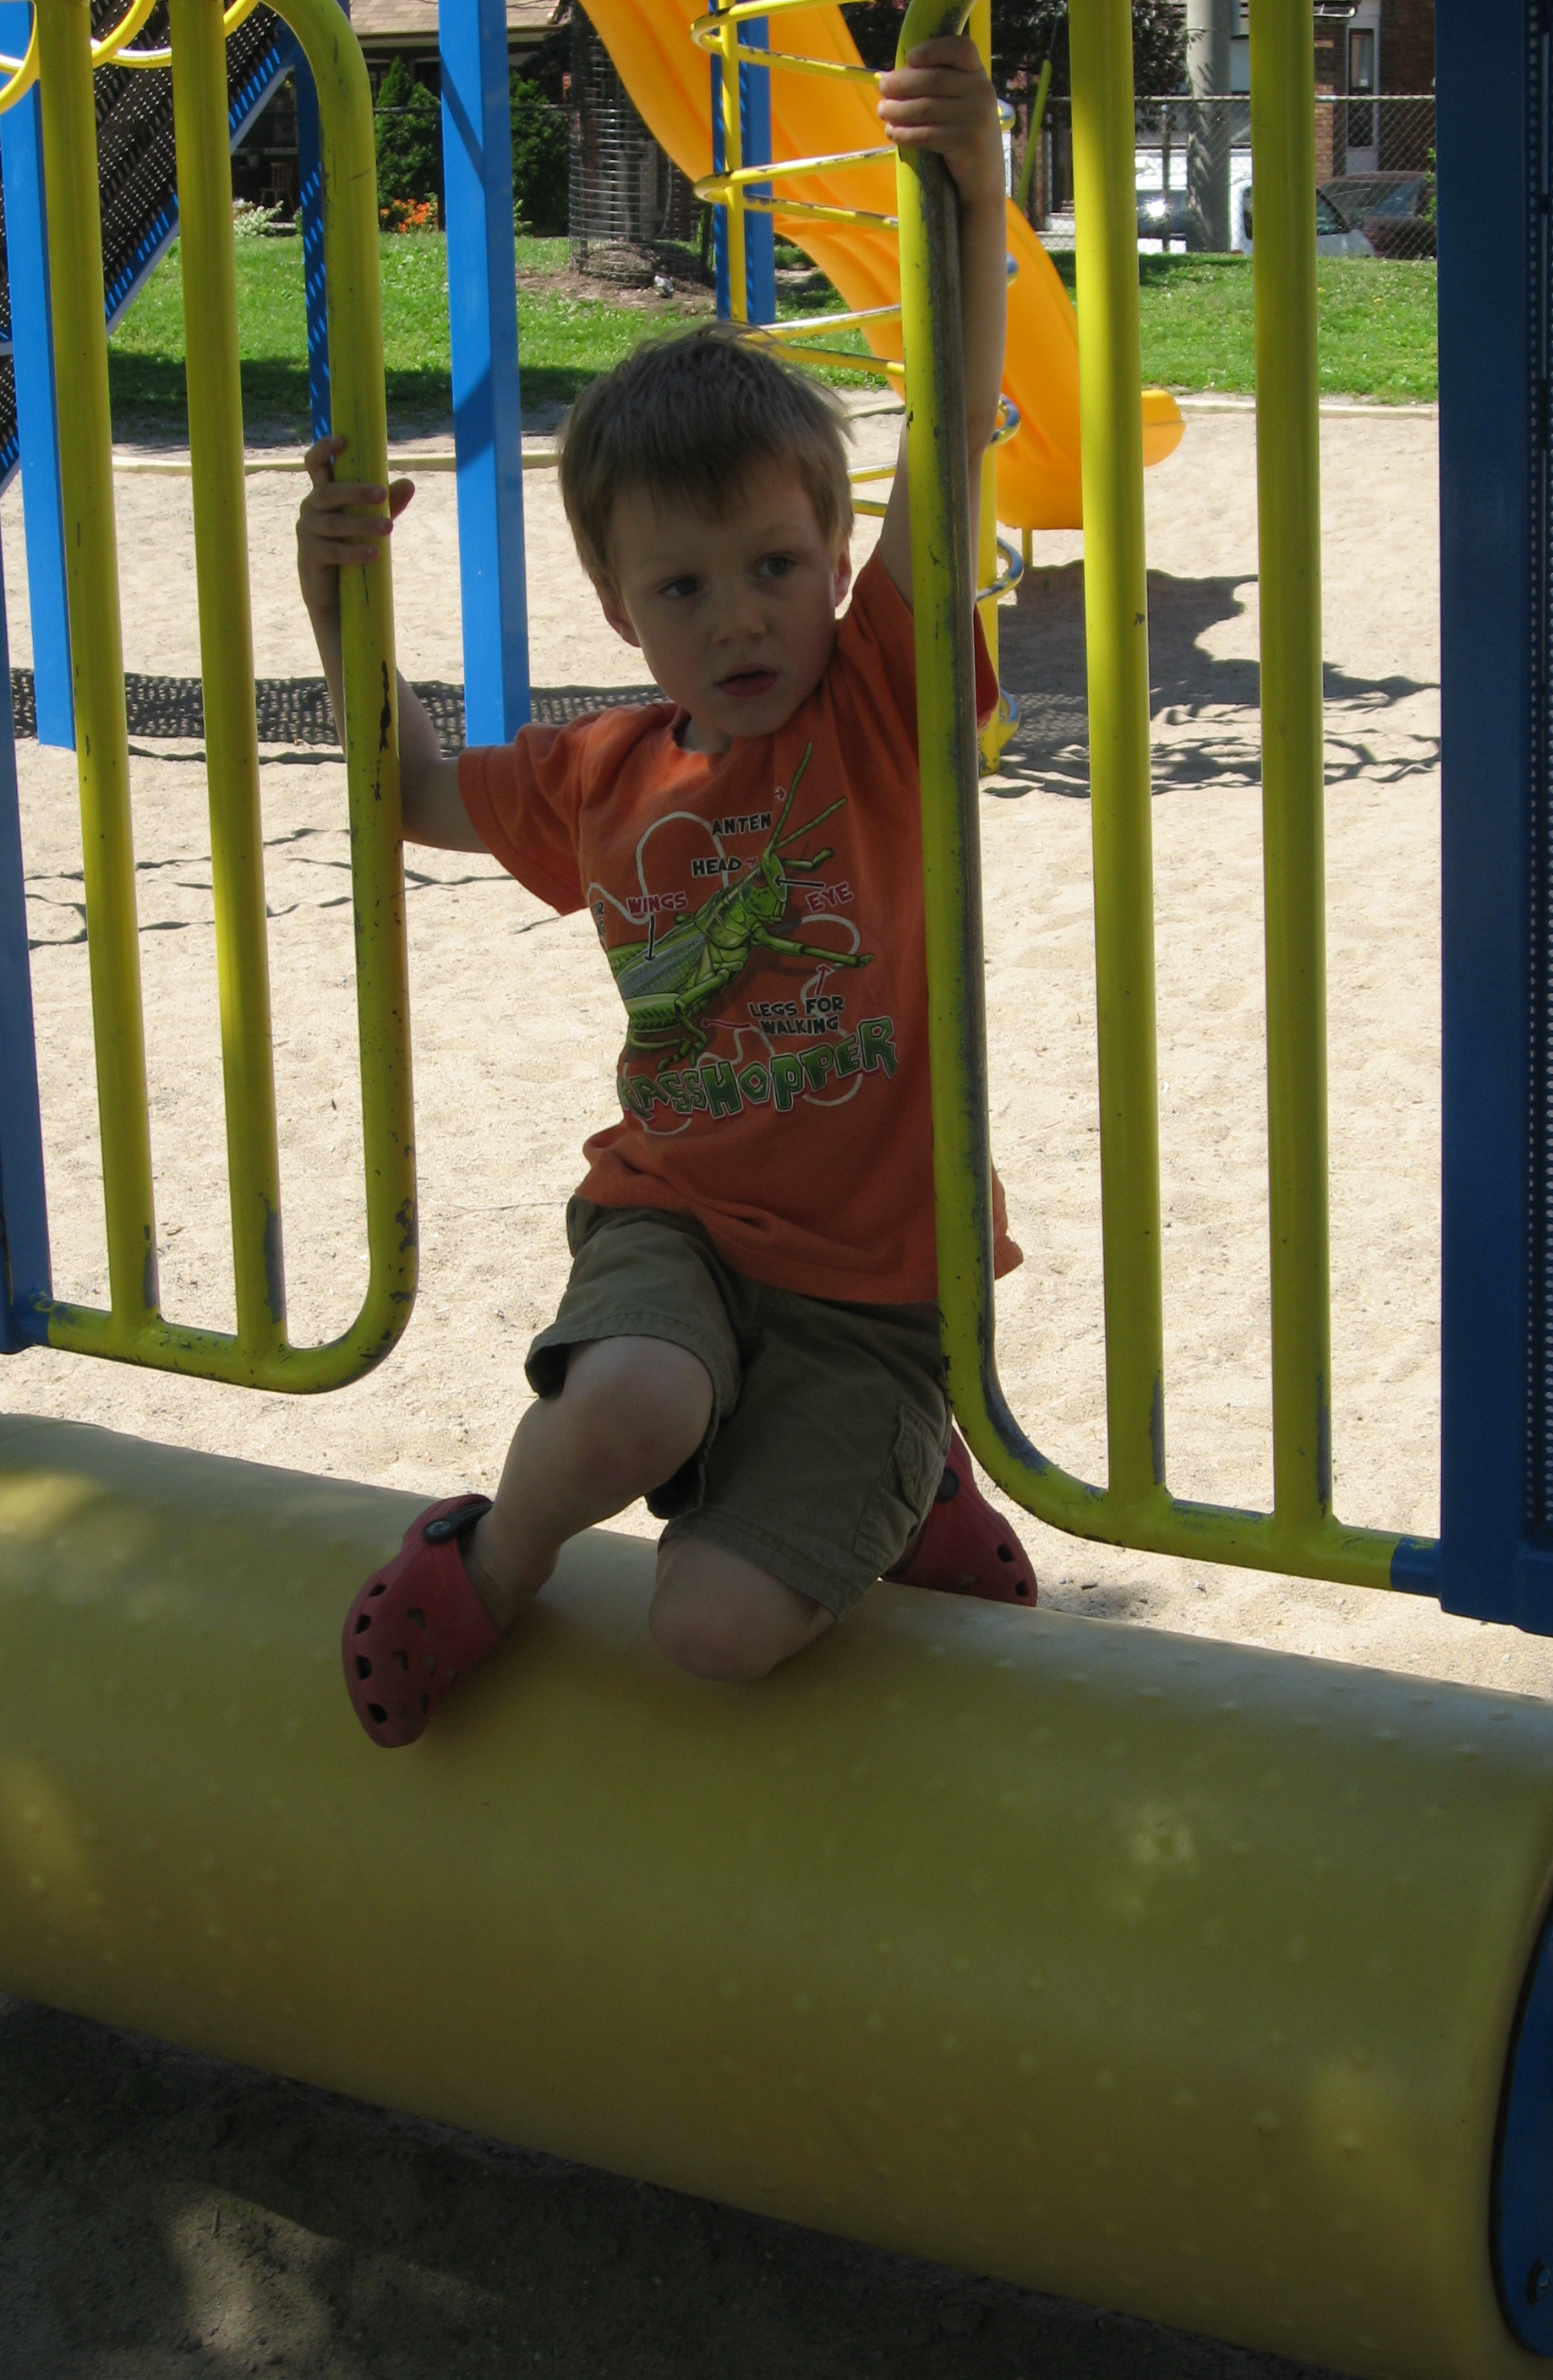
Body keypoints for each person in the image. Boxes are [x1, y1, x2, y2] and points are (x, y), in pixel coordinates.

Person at [298, 35, 1038, 1750]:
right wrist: (342, 613)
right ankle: (486, 1565)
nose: (742, 615)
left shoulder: (883, 698)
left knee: (709, 1632)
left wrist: (975, 193)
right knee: (629, 1400)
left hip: (875, 1289)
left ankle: (897, 1475)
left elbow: (952, 430)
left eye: (777, 566)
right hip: (675, 1221)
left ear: (839, 562)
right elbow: (413, 794)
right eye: (685, 586)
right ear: (618, 605)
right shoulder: (604, 770)